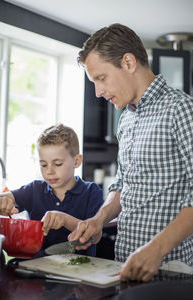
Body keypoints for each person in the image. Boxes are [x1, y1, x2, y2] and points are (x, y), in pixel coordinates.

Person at [68, 23, 193, 281]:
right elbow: (124, 184)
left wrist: (156, 250)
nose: (98, 92)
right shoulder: (125, 119)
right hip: (123, 267)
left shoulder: (180, 109)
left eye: (101, 79)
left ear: (128, 62)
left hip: (170, 273)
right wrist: (99, 220)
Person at [0, 124, 104, 257]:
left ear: (76, 161)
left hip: (79, 270)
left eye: (57, 164)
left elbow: (95, 236)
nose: (49, 171)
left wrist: (64, 219)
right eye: (43, 165)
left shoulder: (91, 191)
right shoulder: (34, 189)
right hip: (37, 269)